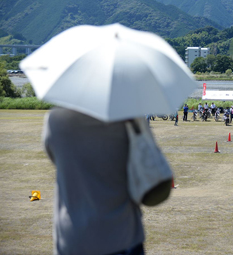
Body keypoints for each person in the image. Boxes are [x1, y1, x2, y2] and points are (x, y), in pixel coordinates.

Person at [43, 107, 160, 255]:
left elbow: (56, 158)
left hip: (72, 237)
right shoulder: (130, 118)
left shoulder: (55, 119)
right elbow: (155, 182)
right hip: (122, 235)